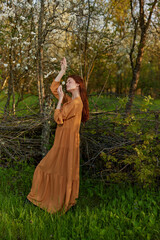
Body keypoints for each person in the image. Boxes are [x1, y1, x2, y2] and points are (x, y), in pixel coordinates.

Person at [25, 57, 89, 215]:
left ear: (78, 85)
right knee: (49, 169)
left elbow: (58, 117)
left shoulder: (76, 103)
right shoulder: (71, 101)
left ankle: (57, 202)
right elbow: (54, 88)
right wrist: (62, 71)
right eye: (66, 82)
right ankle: (48, 199)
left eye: (69, 82)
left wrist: (60, 100)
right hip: (62, 143)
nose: (66, 84)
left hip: (66, 144)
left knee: (48, 168)